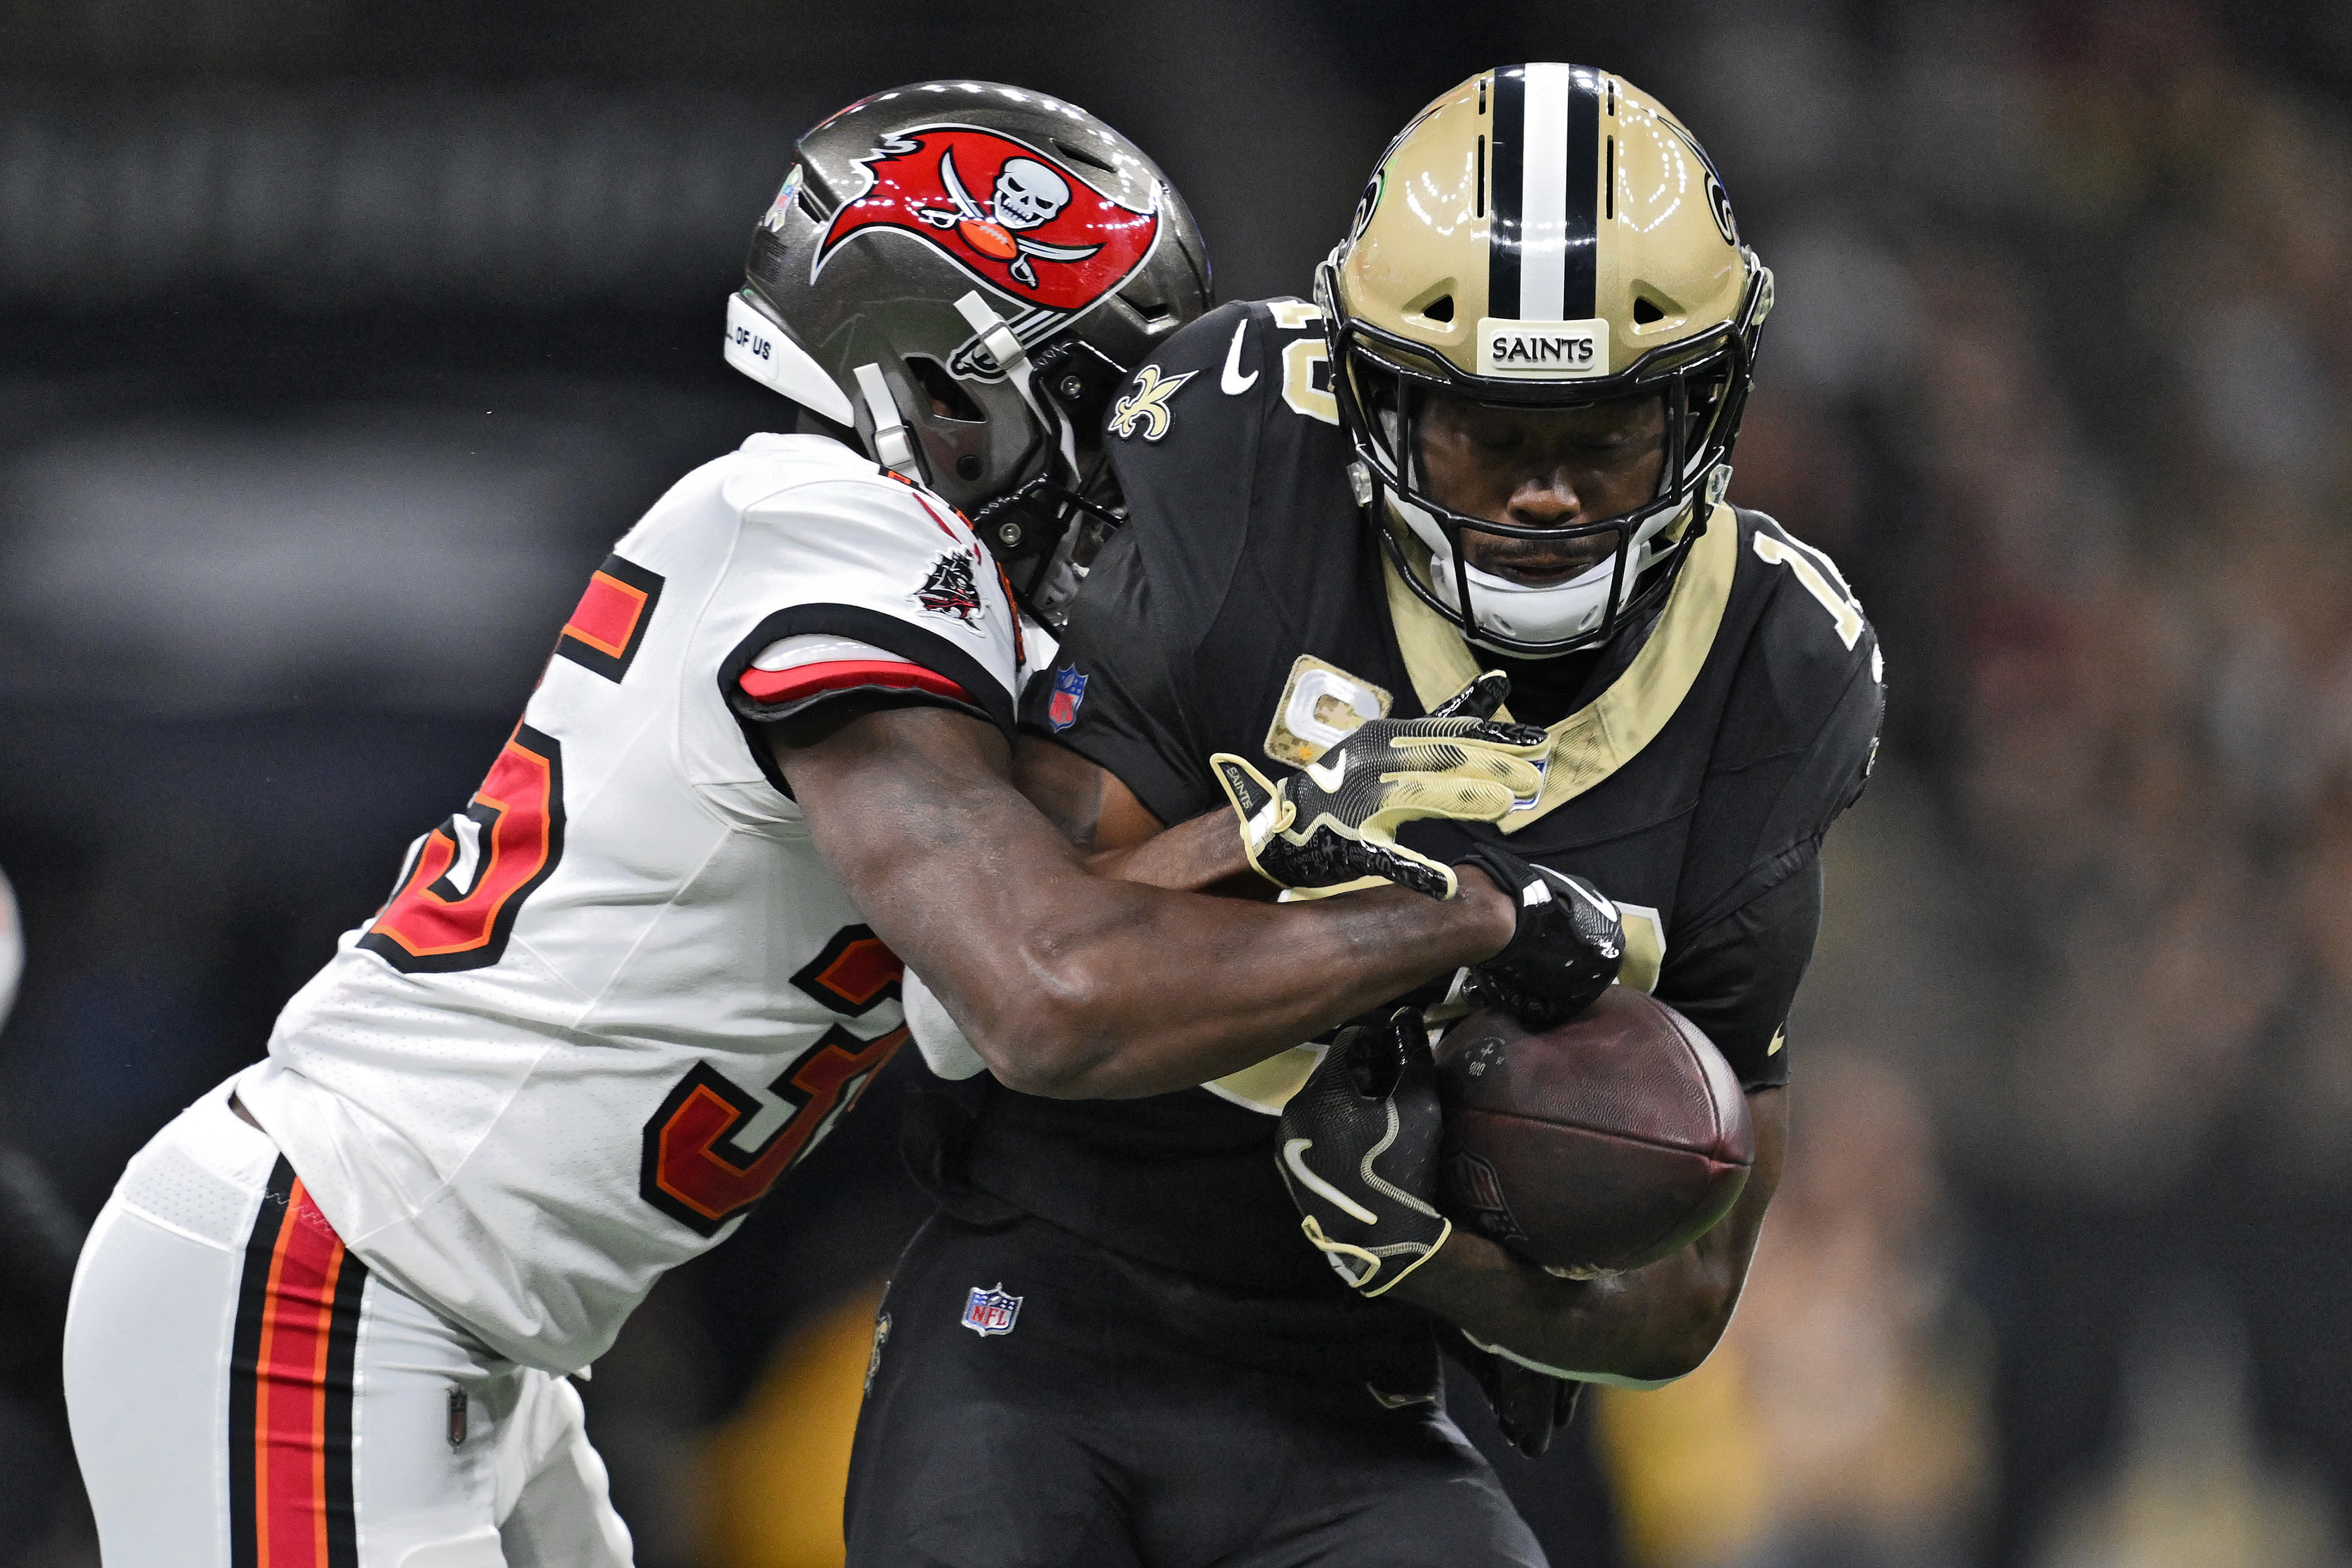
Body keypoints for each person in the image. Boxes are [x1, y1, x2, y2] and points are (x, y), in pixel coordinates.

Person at [60, 82, 1599, 1568]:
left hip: (462, 1325)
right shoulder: (835, 524)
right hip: (336, 1280)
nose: (1144, 463)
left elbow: (1011, 968)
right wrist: (1459, 915)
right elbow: (1046, 992)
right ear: (938, 385)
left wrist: (1308, 826)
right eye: (1102, 400)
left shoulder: (911, 608)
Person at [847, 64, 1884, 1566]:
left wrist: (1427, 1255)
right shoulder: (1248, 468)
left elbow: (1687, 1290)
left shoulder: (1773, 671)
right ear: (1373, 396)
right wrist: (1322, 858)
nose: (1545, 496)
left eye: (1602, 434)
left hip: (1347, 1385)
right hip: (1044, 1302)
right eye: (1488, 433)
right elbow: (1012, 993)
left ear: (1701, 412)